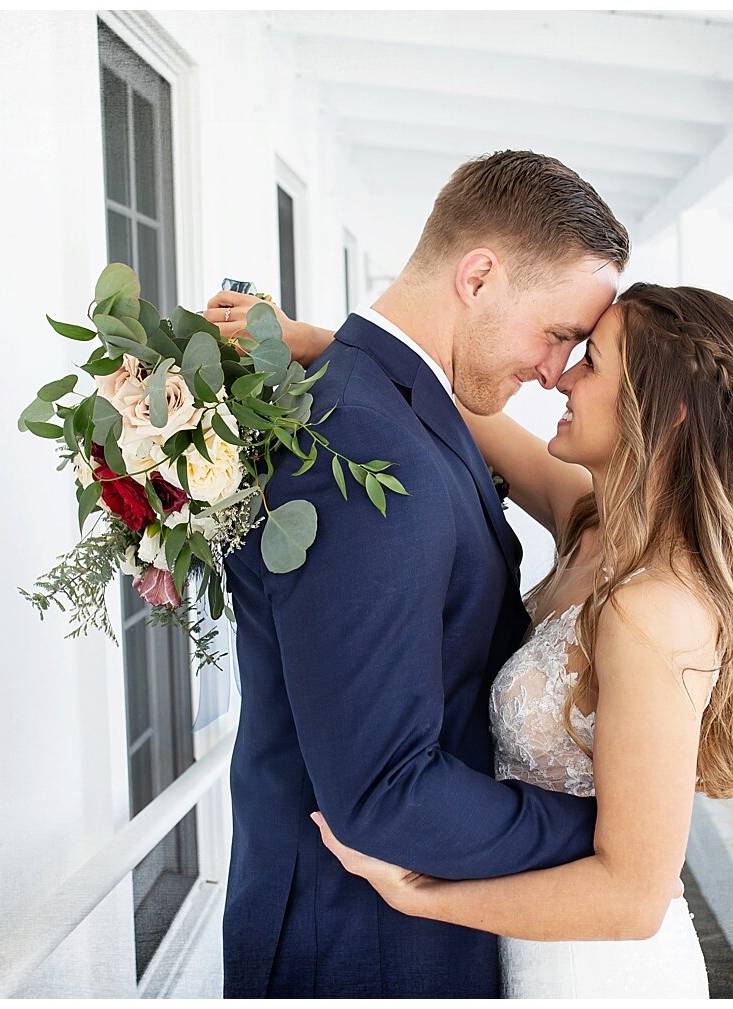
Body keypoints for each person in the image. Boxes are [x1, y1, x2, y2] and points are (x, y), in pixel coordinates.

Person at [212, 279, 733, 997]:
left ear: (668, 413)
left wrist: (423, 895)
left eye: (594, 360)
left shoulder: (654, 611)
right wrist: (311, 343)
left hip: (593, 974)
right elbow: (446, 406)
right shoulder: (589, 521)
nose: (562, 375)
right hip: (519, 942)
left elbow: (633, 897)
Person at [205, 150, 628, 998]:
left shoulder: (396, 405)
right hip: (359, 946)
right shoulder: (364, 436)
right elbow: (383, 796)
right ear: (478, 276)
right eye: (556, 335)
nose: (554, 372)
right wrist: (606, 833)